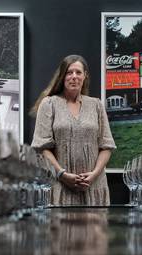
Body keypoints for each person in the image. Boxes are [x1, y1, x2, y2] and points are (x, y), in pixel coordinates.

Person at [31, 55, 116, 206]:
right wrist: (62, 175)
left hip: (94, 185)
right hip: (61, 186)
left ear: (85, 76)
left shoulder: (96, 105)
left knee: (93, 229)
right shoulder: (49, 104)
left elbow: (107, 146)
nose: (74, 77)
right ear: (62, 76)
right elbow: (41, 147)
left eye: (78, 72)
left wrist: (94, 175)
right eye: (69, 72)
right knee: (62, 229)